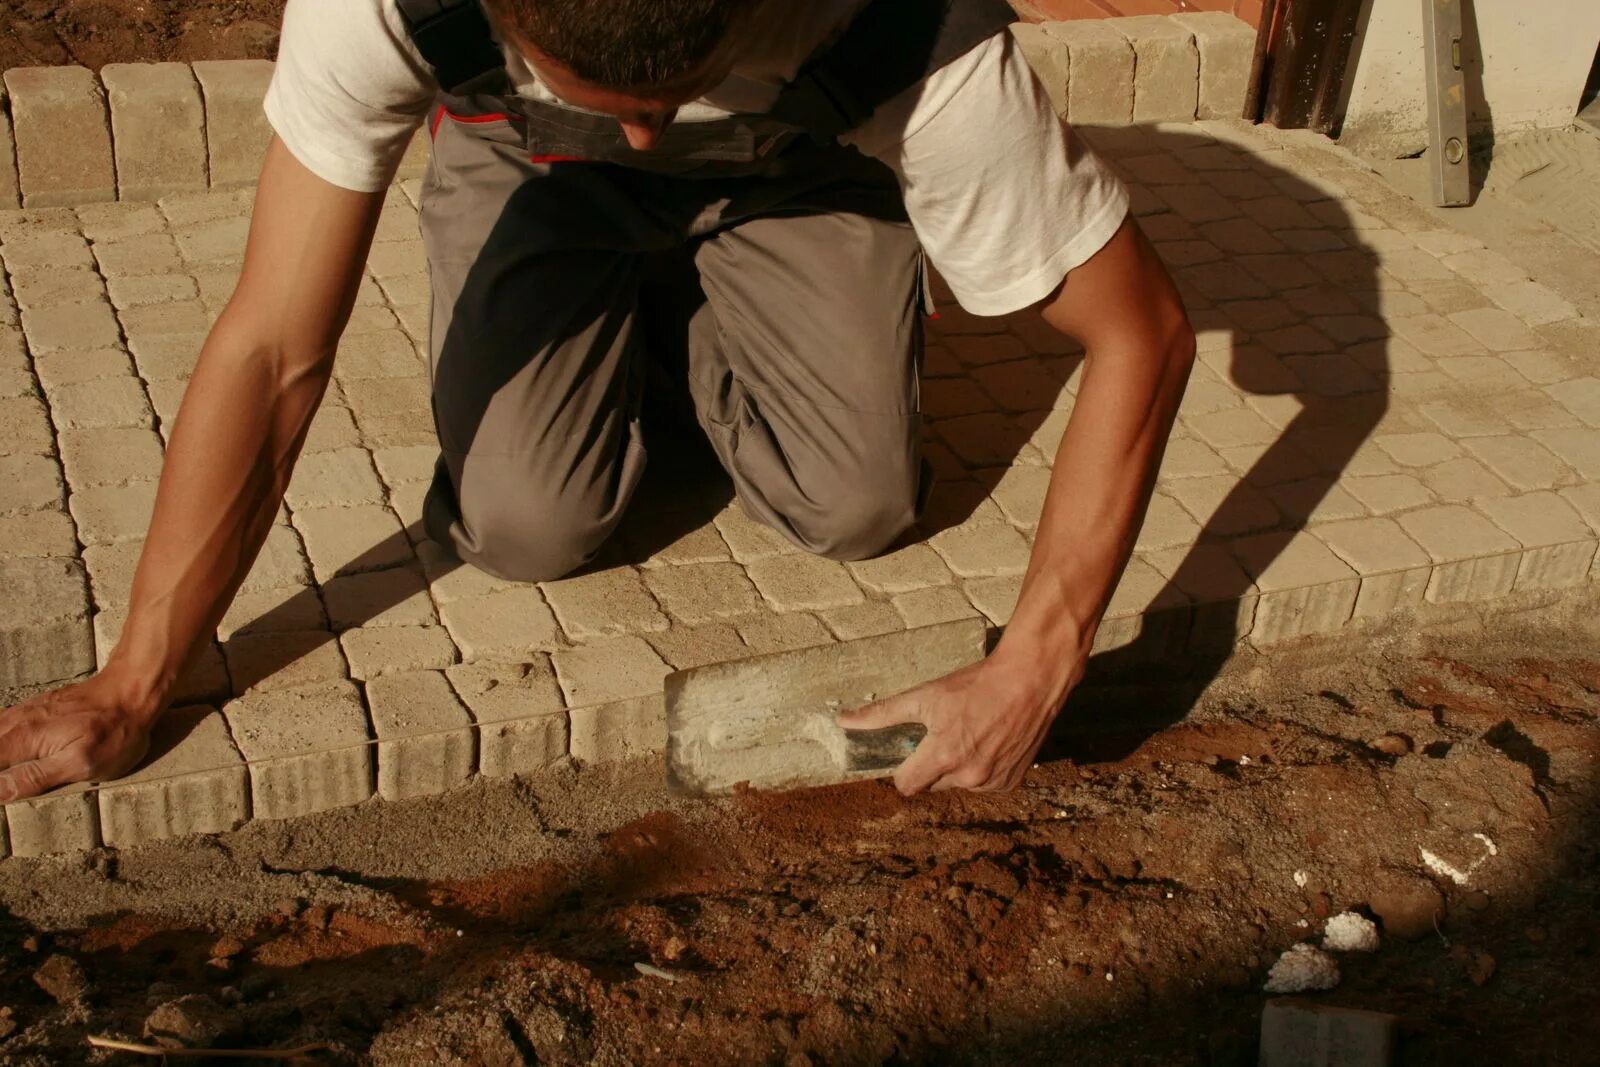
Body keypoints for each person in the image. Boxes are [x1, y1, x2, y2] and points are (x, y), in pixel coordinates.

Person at [0, 0, 1194, 802]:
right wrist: (133, 677)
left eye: (678, 91)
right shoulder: (380, 7)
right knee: (526, 524)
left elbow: (1142, 332)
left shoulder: (910, 33)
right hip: (530, 166)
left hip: (794, 171)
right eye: (597, 89)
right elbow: (273, 348)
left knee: (859, 503)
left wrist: (1037, 665)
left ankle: (691, 303)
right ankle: (622, 301)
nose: (640, 130)